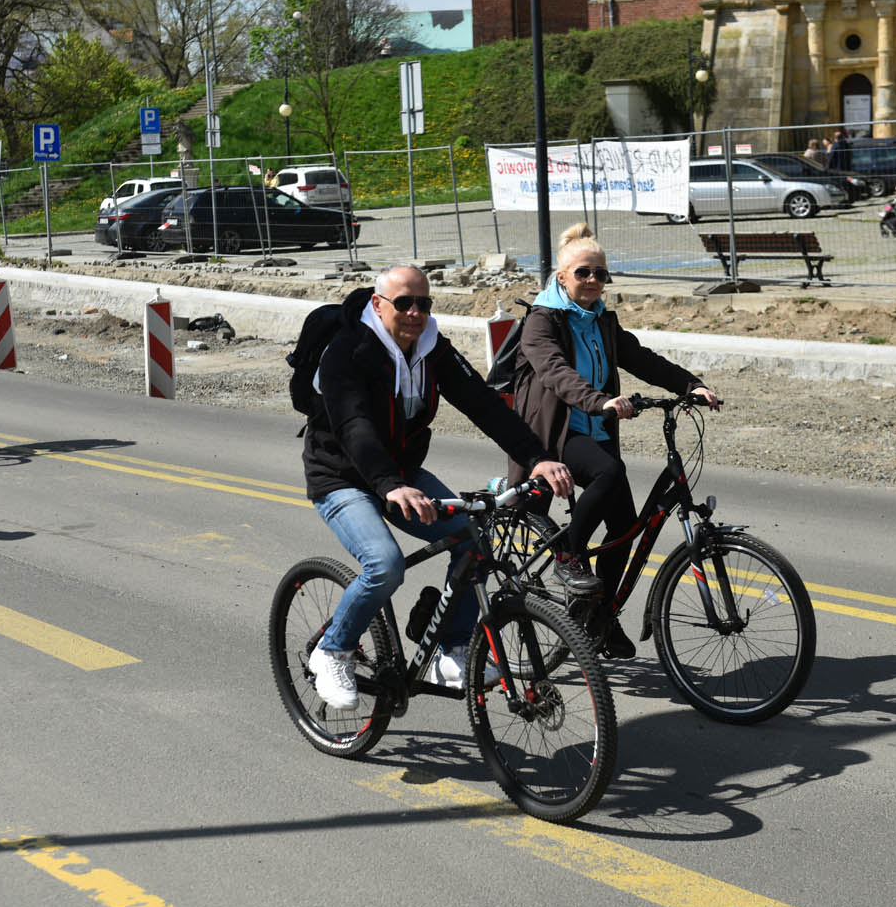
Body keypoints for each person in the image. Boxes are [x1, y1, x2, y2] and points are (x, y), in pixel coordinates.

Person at [302, 263, 576, 709]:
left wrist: (536, 457)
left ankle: (450, 650)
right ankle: (333, 650)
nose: (414, 313)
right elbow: (354, 426)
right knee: (385, 564)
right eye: (404, 303)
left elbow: (483, 404)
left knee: (474, 542)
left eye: (423, 304)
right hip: (341, 477)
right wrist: (389, 484)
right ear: (377, 304)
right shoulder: (345, 351)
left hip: (401, 475)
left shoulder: (432, 349)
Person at [508, 223, 721, 658]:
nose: (593, 281)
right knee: (610, 470)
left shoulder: (603, 320)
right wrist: (599, 401)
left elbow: (640, 358)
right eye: (584, 273)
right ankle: (567, 555)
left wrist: (690, 385)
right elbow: (555, 373)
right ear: (562, 277)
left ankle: (600, 616)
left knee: (624, 526)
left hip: (597, 428)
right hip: (556, 432)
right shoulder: (541, 321)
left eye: (601, 274)